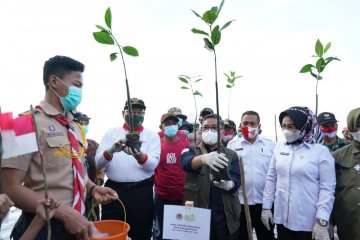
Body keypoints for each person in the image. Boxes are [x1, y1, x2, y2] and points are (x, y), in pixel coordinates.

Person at [1, 55, 118, 240]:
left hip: (80, 222)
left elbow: (75, 170)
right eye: (77, 85)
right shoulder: (22, 125)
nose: (80, 92)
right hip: (44, 227)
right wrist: (63, 213)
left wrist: (93, 187)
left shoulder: (75, 126)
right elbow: (9, 187)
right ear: (54, 81)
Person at [261, 106, 336, 240]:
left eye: (292, 126)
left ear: (304, 126)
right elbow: (271, 177)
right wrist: (266, 207)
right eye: (283, 126)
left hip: (308, 222)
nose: (287, 131)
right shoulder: (280, 147)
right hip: (282, 218)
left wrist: (322, 220)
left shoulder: (320, 152)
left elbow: (327, 188)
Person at [95, 97, 161, 240]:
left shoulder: (152, 136)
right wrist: (111, 150)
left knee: (141, 233)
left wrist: (139, 155)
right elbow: (99, 163)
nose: (135, 115)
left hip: (141, 192)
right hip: (114, 191)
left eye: (140, 112)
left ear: (144, 114)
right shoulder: (111, 133)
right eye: (131, 111)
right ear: (123, 113)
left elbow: (152, 165)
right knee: (112, 233)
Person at [181, 113, 241, 240]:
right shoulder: (190, 149)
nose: (210, 131)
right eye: (206, 127)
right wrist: (203, 158)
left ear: (222, 131)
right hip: (198, 211)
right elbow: (185, 163)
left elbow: (237, 178)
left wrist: (231, 184)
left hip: (224, 213)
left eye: (214, 128)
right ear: (201, 129)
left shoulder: (231, 154)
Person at [227, 111, 276, 240]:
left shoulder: (270, 145)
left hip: (264, 204)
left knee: (267, 236)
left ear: (259, 126)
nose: (249, 126)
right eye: (245, 123)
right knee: (241, 236)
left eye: (253, 123)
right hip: (241, 203)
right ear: (240, 125)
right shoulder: (232, 145)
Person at [154, 113, 191, 239]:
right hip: (162, 198)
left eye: (174, 123)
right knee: (164, 234)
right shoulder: (156, 146)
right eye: (167, 124)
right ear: (161, 127)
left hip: (183, 197)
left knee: (183, 233)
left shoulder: (186, 145)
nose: (171, 126)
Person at [331, 107, 360, 240]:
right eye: (359, 126)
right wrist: (328, 221)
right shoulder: (338, 156)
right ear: (352, 127)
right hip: (348, 223)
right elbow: (329, 190)